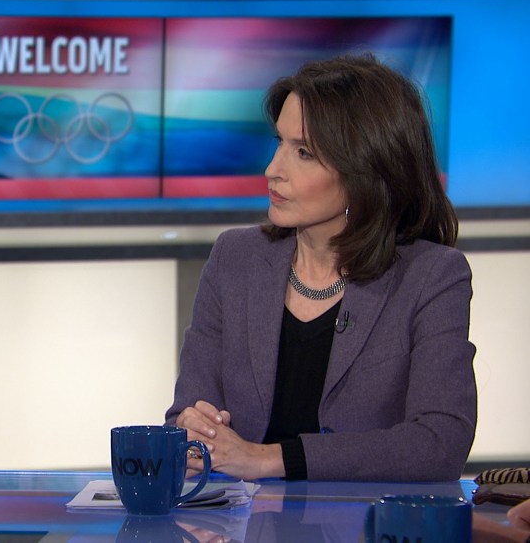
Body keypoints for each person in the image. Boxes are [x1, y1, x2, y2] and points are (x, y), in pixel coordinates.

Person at [165, 53, 476, 482]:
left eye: (304, 152)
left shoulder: (432, 277)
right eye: (279, 143)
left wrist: (270, 459)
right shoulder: (234, 258)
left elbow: (440, 442)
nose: (273, 170)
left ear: (366, 169)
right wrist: (190, 430)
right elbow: (184, 416)